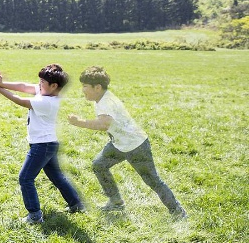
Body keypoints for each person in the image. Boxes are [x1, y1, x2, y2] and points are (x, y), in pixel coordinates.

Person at [68, 66, 187, 219]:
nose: (82, 90)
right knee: (99, 165)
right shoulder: (101, 98)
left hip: (136, 146)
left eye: (85, 86)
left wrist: (79, 122)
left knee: (152, 180)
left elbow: (104, 124)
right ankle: (116, 202)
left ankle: (177, 211)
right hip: (119, 144)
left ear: (97, 87)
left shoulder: (106, 102)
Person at [0, 64, 85, 224]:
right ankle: (76, 204)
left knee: (25, 178)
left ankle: (35, 216)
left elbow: (20, 100)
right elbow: (23, 87)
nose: (39, 84)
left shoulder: (48, 102)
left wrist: (0, 89)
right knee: (56, 176)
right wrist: (2, 84)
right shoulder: (45, 92)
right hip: (48, 143)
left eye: (42, 82)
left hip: (42, 145)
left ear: (54, 86)